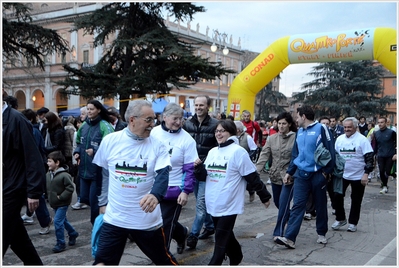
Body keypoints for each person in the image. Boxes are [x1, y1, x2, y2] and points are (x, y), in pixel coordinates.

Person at [92, 100, 178, 265]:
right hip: (115, 218)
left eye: (154, 119)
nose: (153, 124)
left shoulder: (157, 146)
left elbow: (163, 174)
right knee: (102, 263)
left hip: (145, 220)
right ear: (132, 119)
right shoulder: (111, 141)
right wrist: (102, 201)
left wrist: (155, 195)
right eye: (149, 120)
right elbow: (103, 173)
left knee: (163, 261)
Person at [205, 120, 271, 265]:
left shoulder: (238, 151)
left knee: (221, 237)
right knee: (226, 235)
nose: (218, 133)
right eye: (217, 131)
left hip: (229, 202)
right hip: (213, 202)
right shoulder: (212, 152)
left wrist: (264, 195)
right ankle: (236, 256)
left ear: (231, 132)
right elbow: (205, 175)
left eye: (222, 130)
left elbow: (252, 176)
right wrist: (197, 170)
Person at [275, 105, 335, 249]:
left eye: (297, 116)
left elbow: (331, 151)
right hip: (301, 175)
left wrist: (326, 172)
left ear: (303, 116)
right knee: (297, 205)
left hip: (317, 174)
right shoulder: (300, 132)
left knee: (320, 205)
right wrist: (290, 172)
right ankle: (289, 238)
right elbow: (296, 155)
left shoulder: (321, 129)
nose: (295, 119)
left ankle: (321, 233)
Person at [3, 91, 45, 265]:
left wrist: (34, 192)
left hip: (12, 187)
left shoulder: (17, 120)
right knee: (17, 236)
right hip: (4, 184)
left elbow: (32, 157)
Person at [151, 103, 198, 254]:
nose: (178, 122)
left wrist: (185, 191)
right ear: (164, 117)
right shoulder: (153, 133)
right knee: (155, 221)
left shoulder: (187, 140)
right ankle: (182, 233)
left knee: (165, 225)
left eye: (181, 119)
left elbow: (189, 169)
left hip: (174, 188)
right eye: (175, 118)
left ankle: (162, 256)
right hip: (154, 185)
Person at [183, 95, 218, 249]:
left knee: (201, 206)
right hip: (191, 171)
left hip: (206, 171)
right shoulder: (187, 124)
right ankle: (210, 227)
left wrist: (205, 161)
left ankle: (193, 236)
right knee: (200, 200)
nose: (198, 108)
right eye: (196, 105)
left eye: (201, 105)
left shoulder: (215, 125)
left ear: (208, 106)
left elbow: (219, 149)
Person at [256, 112, 297, 241]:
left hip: (289, 177)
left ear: (289, 124)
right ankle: (293, 219)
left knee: (284, 205)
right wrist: (256, 171)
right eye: (279, 123)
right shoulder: (272, 138)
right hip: (274, 176)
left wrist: (292, 172)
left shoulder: (296, 138)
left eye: (284, 123)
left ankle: (278, 233)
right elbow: (264, 155)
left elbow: (298, 157)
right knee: (278, 203)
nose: (281, 126)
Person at [73, 100, 114, 224]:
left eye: (92, 109)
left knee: (95, 202)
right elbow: (79, 142)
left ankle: (98, 226)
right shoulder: (84, 126)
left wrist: (95, 150)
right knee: (84, 198)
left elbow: (111, 145)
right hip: (84, 170)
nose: (89, 112)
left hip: (98, 172)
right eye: (88, 109)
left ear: (99, 110)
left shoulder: (104, 125)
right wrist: (77, 151)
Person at [332, 117, 374, 232]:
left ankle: (353, 223)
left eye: (349, 127)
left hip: (358, 175)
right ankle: (340, 219)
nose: (347, 129)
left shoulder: (362, 140)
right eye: (345, 127)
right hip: (342, 175)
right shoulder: (339, 139)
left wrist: (366, 174)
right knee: (336, 197)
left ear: (355, 127)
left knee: (356, 200)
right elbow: (334, 156)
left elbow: (370, 158)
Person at [20, 109, 53, 235]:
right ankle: (30, 214)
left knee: (36, 195)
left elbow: (36, 151)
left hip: (31, 167)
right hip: (29, 167)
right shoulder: (33, 130)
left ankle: (45, 221)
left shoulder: (31, 131)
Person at [46, 151, 79, 253]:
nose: (47, 163)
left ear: (57, 163)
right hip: (54, 202)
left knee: (57, 222)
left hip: (62, 203)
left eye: (50, 161)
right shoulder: (48, 174)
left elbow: (70, 188)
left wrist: (61, 197)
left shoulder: (64, 175)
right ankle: (73, 233)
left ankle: (61, 243)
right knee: (62, 221)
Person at [234, 120, 259, 202]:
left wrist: (247, 157)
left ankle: (251, 191)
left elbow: (254, 149)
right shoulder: (232, 137)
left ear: (237, 129)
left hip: (245, 163)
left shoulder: (247, 137)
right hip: (235, 163)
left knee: (247, 180)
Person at [373, 117, 396, 194]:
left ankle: (393, 174)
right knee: (381, 171)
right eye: (378, 122)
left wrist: (396, 153)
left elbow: (396, 143)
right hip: (380, 155)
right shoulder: (376, 133)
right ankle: (385, 186)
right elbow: (375, 145)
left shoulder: (391, 132)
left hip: (390, 155)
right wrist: (373, 155)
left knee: (387, 172)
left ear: (386, 123)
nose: (380, 124)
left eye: (382, 122)